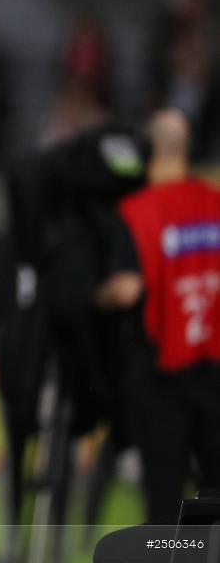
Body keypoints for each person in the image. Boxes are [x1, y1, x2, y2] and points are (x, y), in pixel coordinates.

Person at [97, 109, 220, 524]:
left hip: (160, 371)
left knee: (164, 496)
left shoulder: (136, 210)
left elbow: (128, 288)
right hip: (214, 367)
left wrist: (97, 295)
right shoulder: (215, 203)